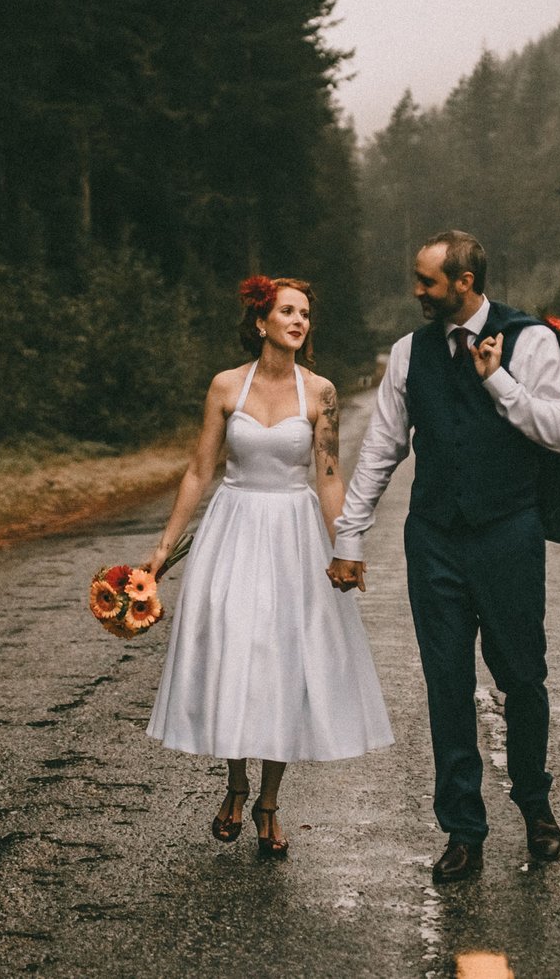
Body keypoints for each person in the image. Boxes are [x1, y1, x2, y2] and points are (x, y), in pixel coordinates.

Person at [328, 230, 560, 883]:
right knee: (446, 685)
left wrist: (500, 384)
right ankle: (463, 829)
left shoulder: (533, 341)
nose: (417, 290)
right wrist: (350, 536)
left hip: (507, 533)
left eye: (427, 280)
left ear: (463, 282)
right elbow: (382, 449)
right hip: (434, 536)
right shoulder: (409, 352)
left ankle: (535, 803)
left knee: (522, 676)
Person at [143, 276, 393, 857]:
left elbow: (328, 478)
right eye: (288, 311)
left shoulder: (322, 392)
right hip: (233, 528)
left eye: (305, 312)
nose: (300, 321)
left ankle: (269, 801)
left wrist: (346, 548)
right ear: (262, 323)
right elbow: (199, 471)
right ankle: (235, 785)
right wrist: (163, 549)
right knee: (236, 647)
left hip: (293, 534)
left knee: (284, 660)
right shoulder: (226, 386)